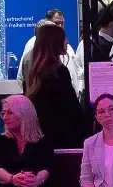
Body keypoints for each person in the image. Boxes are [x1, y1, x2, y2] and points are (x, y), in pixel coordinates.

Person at [22, 20, 84, 148]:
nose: (67, 41)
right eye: (63, 38)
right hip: (62, 137)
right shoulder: (58, 71)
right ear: (55, 43)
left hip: (41, 135)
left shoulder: (34, 70)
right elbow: (71, 109)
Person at [20, 9, 85, 99]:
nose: (60, 26)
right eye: (56, 23)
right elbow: (22, 77)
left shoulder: (68, 48)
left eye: (62, 23)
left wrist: (79, 89)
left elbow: (77, 71)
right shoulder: (32, 45)